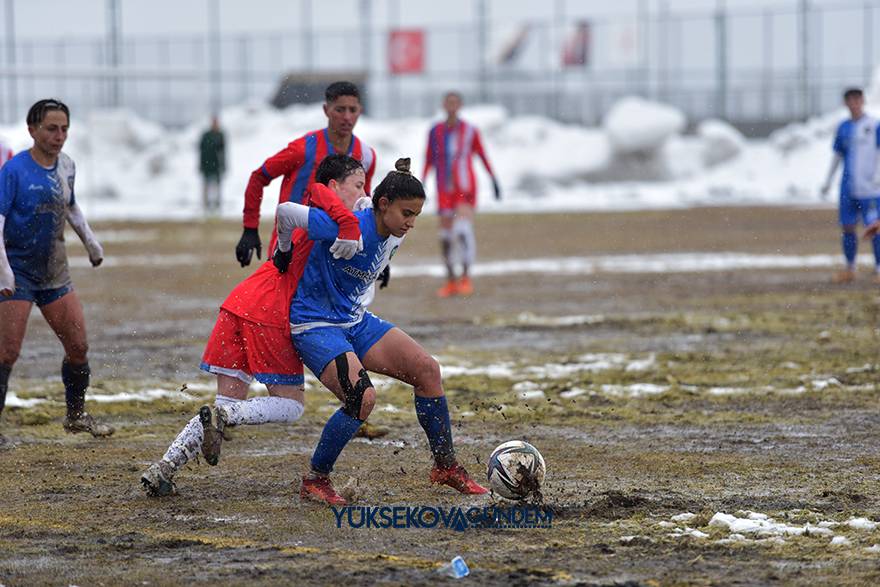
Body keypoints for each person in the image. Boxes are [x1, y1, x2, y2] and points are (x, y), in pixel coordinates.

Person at [141, 154, 365, 497]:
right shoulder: (329, 220)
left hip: (240, 301)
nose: (364, 192)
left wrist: (287, 246)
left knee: (224, 406)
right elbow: (293, 210)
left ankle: (164, 468)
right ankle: (222, 418)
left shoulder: (324, 209)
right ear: (334, 187)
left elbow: (299, 210)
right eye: (359, 185)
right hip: (270, 311)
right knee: (290, 406)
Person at [283, 158, 488, 505]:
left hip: (354, 321)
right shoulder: (345, 228)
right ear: (384, 205)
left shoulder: (391, 229)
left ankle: (446, 467)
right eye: (406, 213)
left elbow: (367, 208)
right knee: (362, 397)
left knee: (428, 370)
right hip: (314, 324)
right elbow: (287, 212)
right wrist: (282, 252)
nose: (411, 223)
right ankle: (316, 480)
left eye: (416, 215)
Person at [0, 98, 113, 444]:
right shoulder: (14, 171)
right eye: (51, 128)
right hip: (16, 273)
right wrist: (4, 273)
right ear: (32, 129)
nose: (59, 135)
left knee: (78, 346)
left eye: (64, 129)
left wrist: (92, 245)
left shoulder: (66, 166)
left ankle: (76, 416)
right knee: (7, 352)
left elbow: (72, 207)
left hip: (54, 272)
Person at [235, 80, 377, 267]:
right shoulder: (303, 148)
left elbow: (363, 206)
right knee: (277, 296)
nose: (347, 117)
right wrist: (250, 228)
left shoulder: (366, 155)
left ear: (360, 110)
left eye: (353, 110)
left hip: (333, 251)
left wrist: (375, 251)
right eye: (340, 110)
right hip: (289, 248)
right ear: (326, 110)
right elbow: (259, 176)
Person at [423, 91, 501, 298]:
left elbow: (482, 154)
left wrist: (493, 179)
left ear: (460, 105)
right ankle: (450, 280)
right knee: (446, 237)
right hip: (443, 189)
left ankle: (465, 277)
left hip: (465, 188)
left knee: (462, 231)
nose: (451, 106)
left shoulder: (470, 131)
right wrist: (421, 182)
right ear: (443, 105)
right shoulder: (435, 131)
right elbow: (429, 158)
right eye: (448, 102)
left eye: (455, 102)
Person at [821, 87, 880, 284]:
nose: (854, 103)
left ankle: (879, 268)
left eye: (857, 99)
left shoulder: (873, 125)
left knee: (874, 227)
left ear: (862, 101)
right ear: (845, 103)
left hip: (870, 187)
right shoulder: (843, 127)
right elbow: (837, 155)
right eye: (850, 100)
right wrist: (828, 181)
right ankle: (850, 268)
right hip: (848, 186)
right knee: (847, 227)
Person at [198, 115, 226, 214]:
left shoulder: (220, 135)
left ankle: (217, 205)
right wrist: (201, 165)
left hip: (217, 165)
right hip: (207, 165)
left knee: (218, 186)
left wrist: (224, 165)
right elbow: (201, 151)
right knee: (206, 185)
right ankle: (206, 205)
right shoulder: (206, 135)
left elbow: (223, 152)